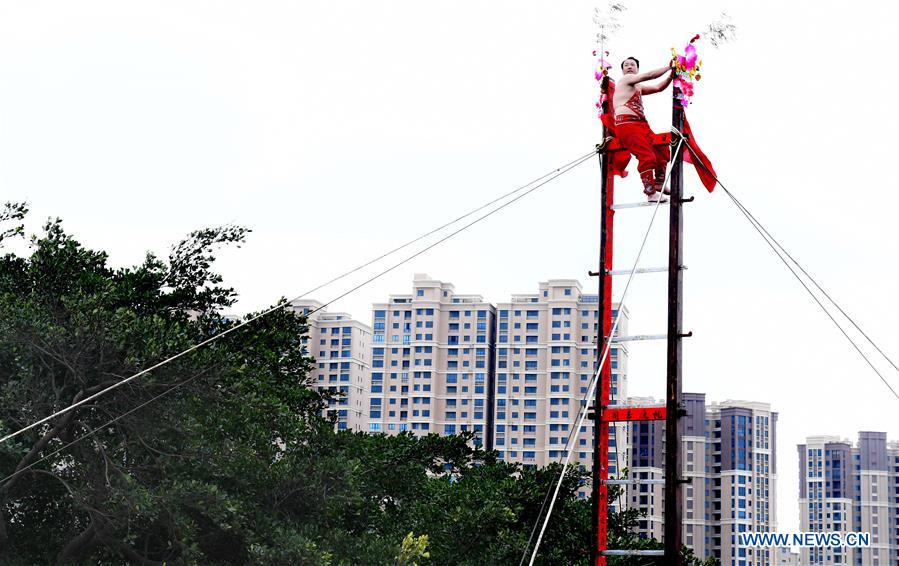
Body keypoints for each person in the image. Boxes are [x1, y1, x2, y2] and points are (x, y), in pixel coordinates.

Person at [613, 56, 674, 202]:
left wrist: (672, 76)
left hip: (641, 124)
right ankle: (650, 193)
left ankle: (659, 183)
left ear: (637, 69)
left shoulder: (637, 87)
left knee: (662, 149)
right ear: (622, 71)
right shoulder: (625, 80)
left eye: (632, 65)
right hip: (627, 125)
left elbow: (659, 88)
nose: (629, 67)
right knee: (647, 157)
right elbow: (649, 76)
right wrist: (669, 67)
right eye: (626, 65)